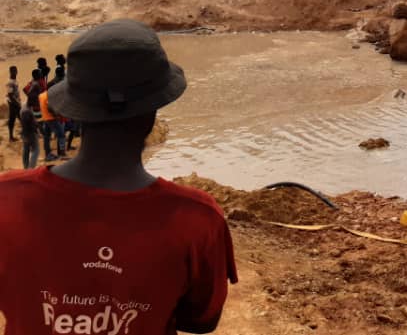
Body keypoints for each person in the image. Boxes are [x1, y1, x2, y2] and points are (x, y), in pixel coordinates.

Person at [0, 18, 238, 333]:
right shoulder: (197, 219)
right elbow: (201, 321)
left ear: (74, 108)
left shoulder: (8, 199)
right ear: (154, 111)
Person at [19, 99, 39, 169]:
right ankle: (31, 169)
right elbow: (30, 124)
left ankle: (26, 167)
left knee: (26, 150)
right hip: (30, 133)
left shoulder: (23, 108)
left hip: (24, 133)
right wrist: (36, 125)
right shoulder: (27, 111)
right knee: (36, 150)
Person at [6, 65, 18, 142]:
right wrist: (17, 104)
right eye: (14, 71)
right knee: (12, 120)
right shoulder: (10, 82)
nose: (15, 72)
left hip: (16, 103)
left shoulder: (14, 80)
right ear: (10, 72)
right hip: (13, 104)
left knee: (14, 119)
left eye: (16, 71)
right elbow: (10, 95)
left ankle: (11, 137)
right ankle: (11, 137)